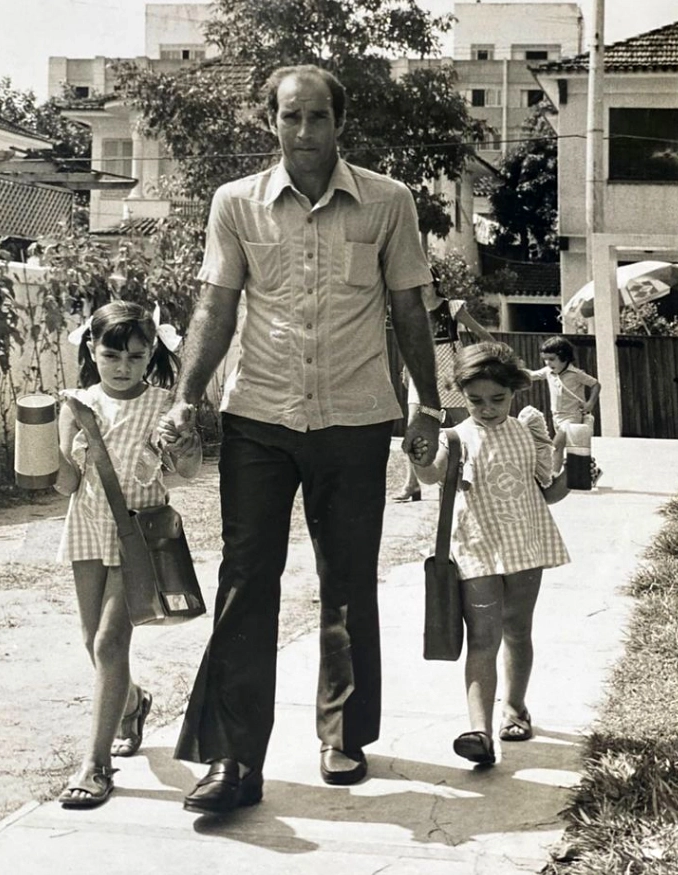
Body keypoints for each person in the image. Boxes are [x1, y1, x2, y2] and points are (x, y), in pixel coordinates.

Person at [159, 63, 441, 814]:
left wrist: (428, 404)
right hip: (259, 417)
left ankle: (342, 734)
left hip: (355, 418)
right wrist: (188, 396)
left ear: (338, 122)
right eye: (291, 118)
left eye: (318, 118)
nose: (305, 132)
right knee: (247, 583)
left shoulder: (389, 202)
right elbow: (216, 307)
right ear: (272, 122)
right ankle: (231, 758)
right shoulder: (236, 205)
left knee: (347, 583)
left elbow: (410, 310)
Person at [55, 301, 202, 808]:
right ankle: (134, 702)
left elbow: (189, 471)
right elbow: (65, 484)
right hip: (88, 528)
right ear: (91, 350)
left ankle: (95, 765)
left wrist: (184, 445)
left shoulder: (164, 403)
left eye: (136, 356)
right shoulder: (74, 404)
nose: (123, 366)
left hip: (139, 534)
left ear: (150, 355)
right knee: (92, 642)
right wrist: (54, 454)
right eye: (112, 355)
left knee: (109, 641)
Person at [413, 342, 570, 766]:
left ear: (515, 392)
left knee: (517, 630)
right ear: (462, 395)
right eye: (476, 400)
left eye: (497, 399)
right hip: (477, 549)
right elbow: (430, 477)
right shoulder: (455, 438)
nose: (486, 408)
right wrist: (418, 456)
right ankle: (479, 732)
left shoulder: (527, 430)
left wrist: (572, 472)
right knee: (483, 638)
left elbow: (550, 492)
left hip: (525, 545)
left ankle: (515, 711)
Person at [394, 268, 495, 502]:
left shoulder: (452, 307)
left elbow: (480, 332)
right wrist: (405, 367)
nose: (421, 288)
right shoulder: (412, 310)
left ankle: (479, 475)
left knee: (466, 422)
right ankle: (412, 484)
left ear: (434, 283)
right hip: (421, 372)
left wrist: (498, 356)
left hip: (451, 373)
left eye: (425, 283)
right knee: (413, 426)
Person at [527, 336, 602, 484]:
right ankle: (592, 472)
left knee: (556, 445)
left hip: (573, 416)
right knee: (568, 448)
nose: (548, 363)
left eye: (552, 359)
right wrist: (515, 368)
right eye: (545, 359)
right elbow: (531, 375)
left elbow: (595, 384)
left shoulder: (576, 374)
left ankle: (553, 478)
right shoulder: (548, 371)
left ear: (564, 357)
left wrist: (590, 403)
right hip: (557, 417)